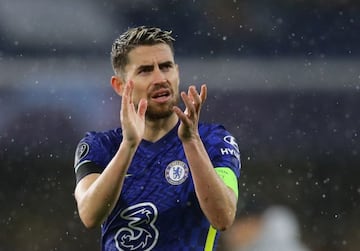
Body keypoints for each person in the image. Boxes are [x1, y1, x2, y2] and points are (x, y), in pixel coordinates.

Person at [73, 26, 241, 251]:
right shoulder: (100, 146)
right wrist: (128, 146)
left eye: (166, 67)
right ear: (120, 86)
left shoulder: (214, 141)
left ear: (177, 73)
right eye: (145, 70)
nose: (160, 78)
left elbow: (224, 217)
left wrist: (191, 142)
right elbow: (90, 214)